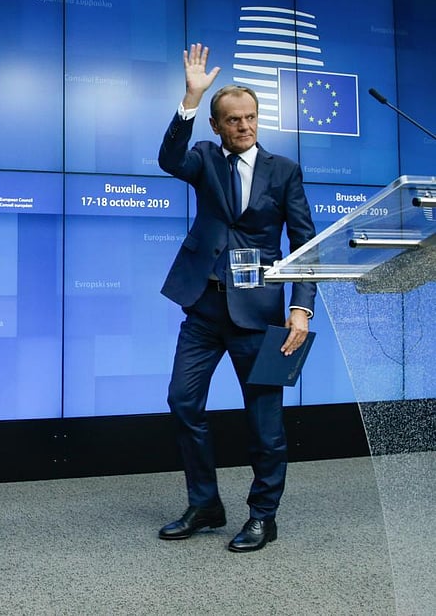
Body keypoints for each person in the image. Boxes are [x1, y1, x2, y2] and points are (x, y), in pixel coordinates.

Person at [156, 43, 316, 552]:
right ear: (216, 125)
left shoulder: (284, 170)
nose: (244, 127)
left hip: (261, 314)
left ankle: (262, 516)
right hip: (203, 309)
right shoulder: (201, 157)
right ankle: (205, 503)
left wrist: (300, 307)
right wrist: (189, 97)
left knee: (264, 423)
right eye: (233, 120)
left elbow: (304, 242)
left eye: (250, 118)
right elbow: (168, 159)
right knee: (183, 403)